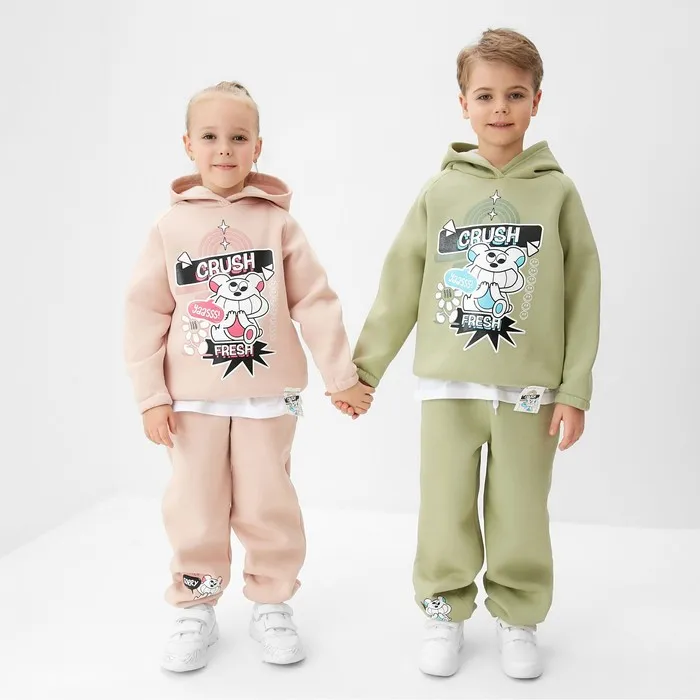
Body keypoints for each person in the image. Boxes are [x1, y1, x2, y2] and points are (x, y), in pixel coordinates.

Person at [334, 29, 600, 679]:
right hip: (449, 388)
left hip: (529, 393)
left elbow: (583, 294)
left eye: (515, 94)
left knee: (521, 512)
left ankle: (518, 618)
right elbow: (400, 284)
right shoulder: (440, 192)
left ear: (536, 101)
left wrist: (574, 390)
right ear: (463, 104)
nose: (500, 107)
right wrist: (363, 370)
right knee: (444, 508)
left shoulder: (557, 193)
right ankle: (442, 612)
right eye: (485, 95)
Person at [124, 80, 374, 672]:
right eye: (210, 136)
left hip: (269, 397)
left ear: (257, 147)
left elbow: (315, 301)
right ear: (188, 144)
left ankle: (271, 603)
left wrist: (340, 375)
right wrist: (151, 397)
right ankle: (196, 605)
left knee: (268, 503)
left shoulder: (279, 224)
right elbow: (144, 313)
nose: (224, 149)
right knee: (195, 507)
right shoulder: (169, 228)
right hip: (191, 403)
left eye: (238, 137)